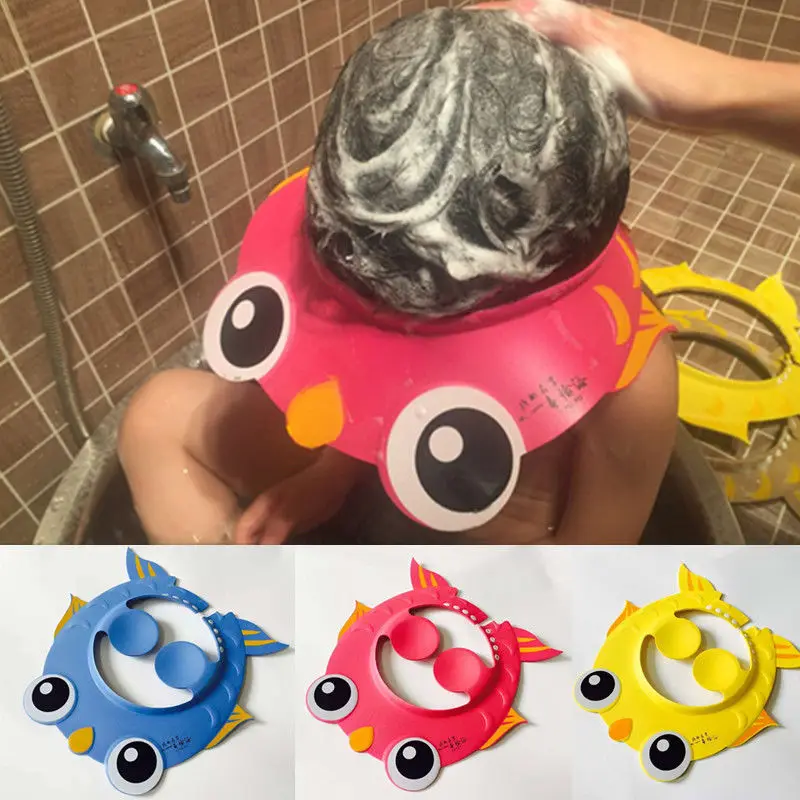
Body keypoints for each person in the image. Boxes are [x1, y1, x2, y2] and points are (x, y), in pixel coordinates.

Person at [118, 2, 796, 546]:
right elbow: (374, 379)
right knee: (154, 417)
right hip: (355, 494)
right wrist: (328, 475)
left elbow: (588, 574)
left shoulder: (629, 383)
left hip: (481, 570)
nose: (396, 337)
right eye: (374, 319)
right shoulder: (377, 258)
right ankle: (231, 618)